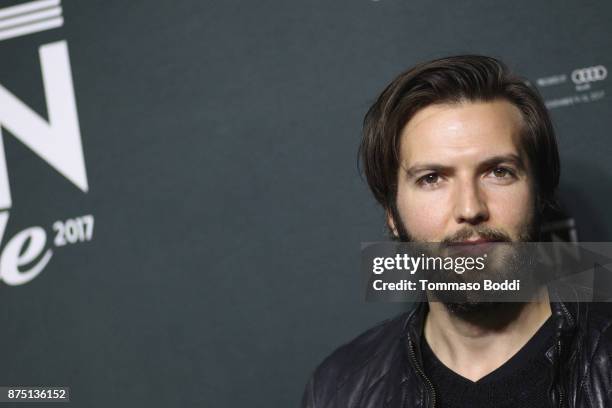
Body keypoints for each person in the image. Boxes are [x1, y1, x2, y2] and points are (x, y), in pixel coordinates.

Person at [301, 56, 612, 408]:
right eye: (431, 178)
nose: (470, 208)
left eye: (498, 171)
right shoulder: (339, 390)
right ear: (391, 213)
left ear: (538, 193)